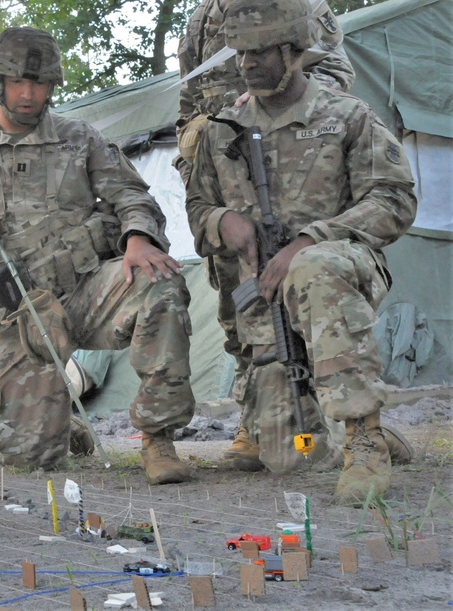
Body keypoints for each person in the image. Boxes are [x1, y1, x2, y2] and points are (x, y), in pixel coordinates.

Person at [0, 27, 197, 485]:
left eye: (40, 84)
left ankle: (158, 437)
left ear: (52, 87)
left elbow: (133, 196)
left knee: (160, 284)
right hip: (17, 310)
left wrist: (138, 239)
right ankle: (59, 424)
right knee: (29, 456)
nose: (29, 95)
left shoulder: (81, 139)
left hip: (88, 292)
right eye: (18, 83)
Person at [184, 0, 416, 500]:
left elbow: (394, 199)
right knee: (291, 457)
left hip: (340, 267)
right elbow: (198, 207)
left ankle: (364, 436)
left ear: (293, 51)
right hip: (265, 295)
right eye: (239, 53)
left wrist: (313, 237)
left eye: (260, 52)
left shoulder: (347, 116)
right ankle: (331, 431)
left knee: (311, 267)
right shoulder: (223, 130)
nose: (246, 64)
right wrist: (223, 221)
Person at [175, 0, 355, 470]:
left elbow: (334, 71)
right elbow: (188, 105)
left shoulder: (302, 6)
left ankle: (354, 427)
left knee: (309, 312)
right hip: (229, 182)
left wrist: (272, 108)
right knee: (241, 313)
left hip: (296, 174)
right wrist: (194, 156)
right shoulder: (199, 21)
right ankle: (253, 419)